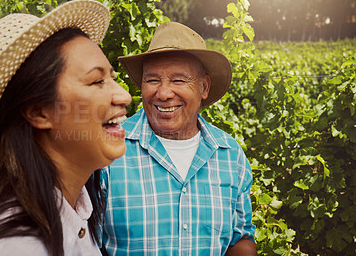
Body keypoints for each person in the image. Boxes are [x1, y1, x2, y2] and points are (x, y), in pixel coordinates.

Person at [0, 0, 131, 255]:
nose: (124, 96)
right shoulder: (16, 247)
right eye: (96, 81)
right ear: (38, 111)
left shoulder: (75, 213)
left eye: (112, 78)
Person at [101, 22, 256, 255]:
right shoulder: (108, 147)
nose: (163, 93)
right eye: (152, 80)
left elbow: (241, 238)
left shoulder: (230, 155)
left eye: (178, 80)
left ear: (203, 87)